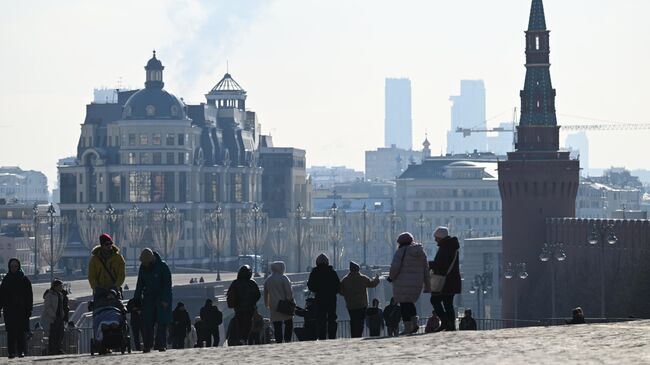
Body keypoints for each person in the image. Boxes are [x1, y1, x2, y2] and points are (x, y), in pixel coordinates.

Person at [387, 232, 431, 335]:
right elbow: (426, 269)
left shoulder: (400, 252)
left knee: (404, 305)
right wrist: (427, 284)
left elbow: (395, 267)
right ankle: (415, 324)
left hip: (402, 283)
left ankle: (407, 327)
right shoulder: (420, 252)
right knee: (410, 303)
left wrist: (391, 277)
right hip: (416, 284)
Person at [133, 248, 172, 352]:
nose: (145, 264)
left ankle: (161, 344)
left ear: (152, 260)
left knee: (161, 323)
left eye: (146, 263)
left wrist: (165, 300)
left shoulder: (163, 267)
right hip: (148, 299)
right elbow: (139, 285)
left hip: (161, 299)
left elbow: (167, 285)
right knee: (147, 322)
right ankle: (147, 345)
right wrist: (136, 300)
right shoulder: (143, 268)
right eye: (143, 263)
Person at [429, 227, 461, 332]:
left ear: (440, 237)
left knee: (434, 300)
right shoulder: (451, 246)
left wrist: (429, 264)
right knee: (448, 303)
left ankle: (445, 321)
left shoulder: (445, 247)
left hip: (446, 281)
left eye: (436, 237)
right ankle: (450, 325)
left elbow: (441, 265)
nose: (435, 240)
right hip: (452, 280)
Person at [0, 258, 33, 359]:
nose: (13, 268)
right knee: (11, 332)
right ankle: (11, 352)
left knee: (20, 332)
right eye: (12, 266)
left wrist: (29, 310)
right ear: (9, 267)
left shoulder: (24, 279)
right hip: (9, 311)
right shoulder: (6, 280)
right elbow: (1, 296)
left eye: (15, 266)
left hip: (21, 311)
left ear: (18, 267)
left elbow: (29, 297)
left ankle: (21, 351)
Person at [340, 261, 380, 338]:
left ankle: (354, 335)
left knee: (353, 320)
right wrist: (377, 278)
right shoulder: (363, 278)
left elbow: (341, 291)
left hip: (351, 305)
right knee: (360, 321)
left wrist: (347, 295)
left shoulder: (345, 280)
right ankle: (359, 335)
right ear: (358, 269)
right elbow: (372, 284)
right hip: (362, 304)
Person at [307, 253, 341, 340]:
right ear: (327, 262)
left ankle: (322, 337)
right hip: (331, 299)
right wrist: (332, 292)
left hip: (319, 299)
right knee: (332, 318)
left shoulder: (314, 272)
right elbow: (338, 287)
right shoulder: (332, 272)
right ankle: (332, 336)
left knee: (320, 319)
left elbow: (310, 286)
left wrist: (318, 290)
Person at [226, 265, 261, 346]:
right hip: (249, 308)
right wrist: (252, 302)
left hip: (238, 308)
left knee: (239, 323)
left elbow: (229, 294)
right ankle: (244, 339)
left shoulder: (235, 283)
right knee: (248, 323)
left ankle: (239, 338)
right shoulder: (252, 282)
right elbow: (258, 295)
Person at [263, 261, 294, 344]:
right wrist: (290, 300)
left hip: (274, 306)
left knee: (277, 325)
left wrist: (267, 304)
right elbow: (289, 292)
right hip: (284, 304)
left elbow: (265, 294)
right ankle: (287, 339)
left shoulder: (268, 280)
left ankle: (279, 341)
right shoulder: (284, 278)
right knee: (289, 322)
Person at [88, 233, 126, 298]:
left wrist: (115, 287)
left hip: (114, 292)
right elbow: (91, 276)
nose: (109, 246)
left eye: (110, 243)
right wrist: (96, 288)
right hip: (99, 292)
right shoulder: (94, 259)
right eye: (106, 244)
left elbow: (121, 275)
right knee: (96, 307)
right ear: (102, 245)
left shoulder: (118, 258)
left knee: (120, 307)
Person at [42, 279, 69, 355]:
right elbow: (48, 306)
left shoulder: (60, 295)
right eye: (60, 286)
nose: (61, 288)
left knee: (60, 334)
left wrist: (62, 314)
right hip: (53, 318)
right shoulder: (49, 295)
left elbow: (61, 306)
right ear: (55, 286)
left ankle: (58, 348)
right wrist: (53, 315)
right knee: (53, 334)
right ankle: (52, 349)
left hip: (60, 317)